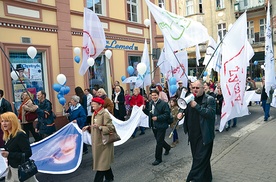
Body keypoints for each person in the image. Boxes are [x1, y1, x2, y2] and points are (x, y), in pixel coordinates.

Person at [177, 80, 215, 181]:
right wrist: (181, 114)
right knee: (200, 159)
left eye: (197, 88)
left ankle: (192, 179)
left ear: (203, 88)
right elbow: (183, 108)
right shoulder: (189, 98)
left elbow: (210, 114)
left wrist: (197, 106)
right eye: (193, 88)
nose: (195, 90)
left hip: (204, 135)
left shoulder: (209, 99)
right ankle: (207, 178)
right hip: (193, 135)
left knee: (199, 160)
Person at [82, 97, 114, 182]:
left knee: (101, 164)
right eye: (92, 104)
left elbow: (110, 128)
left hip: (104, 143)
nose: (92, 105)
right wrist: (88, 127)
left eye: (94, 104)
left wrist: (100, 127)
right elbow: (95, 126)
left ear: (100, 105)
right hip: (97, 142)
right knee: (103, 162)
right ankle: (109, 177)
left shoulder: (105, 114)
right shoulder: (94, 114)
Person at [0, 112, 38, 182]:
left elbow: (28, 153)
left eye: (6, 121)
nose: (4, 123)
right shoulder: (7, 136)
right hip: (12, 168)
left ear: (13, 122)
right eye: (2, 121)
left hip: (21, 169)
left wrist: (9, 154)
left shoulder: (20, 135)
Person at [148, 89, 171, 166]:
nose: (154, 96)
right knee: (159, 140)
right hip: (154, 126)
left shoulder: (164, 104)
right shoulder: (150, 103)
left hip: (161, 125)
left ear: (158, 95)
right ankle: (167, 147)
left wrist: (158, 118)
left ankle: (158, 159)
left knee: (159, 142)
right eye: (152, 95)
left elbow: (167, 114)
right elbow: (150, 113)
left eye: (155, 95)